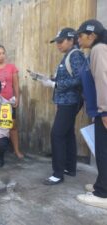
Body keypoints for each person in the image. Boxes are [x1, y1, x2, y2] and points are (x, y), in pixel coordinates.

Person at [40, 28, 84, 185]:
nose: (58, 45)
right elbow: (70, 77)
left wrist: (54, 84)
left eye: (61, 41)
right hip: (66, 101)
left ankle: (57, 174)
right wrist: (50, 80)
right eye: (56, 42)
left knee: (57, 135)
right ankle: (70, 167)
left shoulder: (76, 55)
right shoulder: (69, 55)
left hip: (70, 101)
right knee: (67, 134)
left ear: (71, 40)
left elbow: (79, 79)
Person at [75, 19, 107, 209]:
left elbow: (103, 80)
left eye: (80, 35)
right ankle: (101, 184)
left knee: (103, 152)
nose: (78, 39)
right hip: (101, 110)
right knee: (103, 151)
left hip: (104, 110)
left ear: (92, 35)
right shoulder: (97, 49)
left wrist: (105, 110)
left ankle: (103, 194)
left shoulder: (98, 49)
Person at [0, 45, 24, 159]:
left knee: (12, 127)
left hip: (9, 103)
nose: (1, 56)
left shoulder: (12, 67)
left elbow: (16, 84)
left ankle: (16, 150)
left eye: (3, 53)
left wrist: (17, 98)